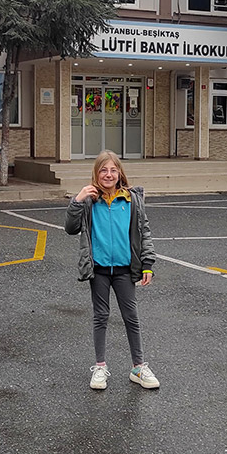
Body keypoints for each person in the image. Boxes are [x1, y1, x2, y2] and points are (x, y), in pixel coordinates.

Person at [64, 150, 159, 390]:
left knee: (131, 316)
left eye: (113, 170)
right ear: (96, 173)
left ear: (119, 173)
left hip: (125, 269)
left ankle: (138, 367)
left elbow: (143, 232)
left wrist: (147, 263)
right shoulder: (89, 200)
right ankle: (100, 367)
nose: (108, 174)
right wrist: (77, 200)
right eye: (103, 170)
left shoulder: (131, 200)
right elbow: (70, 228)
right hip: (99, 269)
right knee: (101, 316)